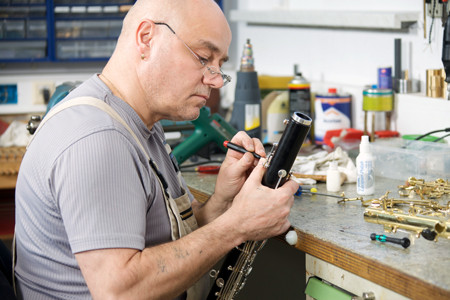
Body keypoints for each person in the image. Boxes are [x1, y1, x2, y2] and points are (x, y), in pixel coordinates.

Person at [14, 0, 299, 299]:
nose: (215, 80)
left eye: (220, 65)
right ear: (146, 39)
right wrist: (237, 225)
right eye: (203, 57)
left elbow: (170, 241)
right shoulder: (100, 138)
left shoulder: (139, 120)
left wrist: (223, 201)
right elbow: (120, 292)